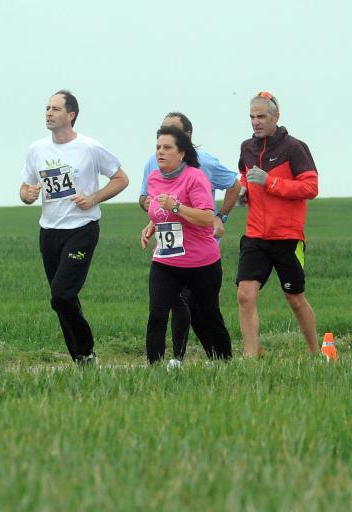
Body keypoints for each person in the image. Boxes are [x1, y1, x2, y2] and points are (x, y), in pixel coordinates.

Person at [20, 89, 129, 365]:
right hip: (49, 231)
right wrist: (27, 195)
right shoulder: (37, 149)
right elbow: (24, 187)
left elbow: (120, 178)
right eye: (47, 108)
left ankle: (86, 348)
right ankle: (82, 358)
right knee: (61, 300)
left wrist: (93, 198)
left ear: (71, 115)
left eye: (55, 109)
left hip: (81, 228)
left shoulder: (90, 148)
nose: (48, 113)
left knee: (62, 294)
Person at [139, 113, 241, 365]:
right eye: (158, 147)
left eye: (167, 148)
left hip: (200, 263)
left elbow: (207, 218)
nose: (160, 153)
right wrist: (153, 224)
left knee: (208, 314)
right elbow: (159, 208)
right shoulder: (154, 178)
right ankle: (154, 367)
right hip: (166, 260)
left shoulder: (196, 177)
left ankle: (224, 362)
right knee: (157, 314)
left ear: (181, 153)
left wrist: (176, 207)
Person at [236, 91, 319, 357]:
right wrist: (243, 190)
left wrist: (270, 182)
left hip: (287, 236)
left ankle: (315, 353)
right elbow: (244, 174)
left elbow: (311, 187)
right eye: (252, 117)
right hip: (255, 235)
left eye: (261, 116)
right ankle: (250, 358)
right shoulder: (247, 148)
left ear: (276, 117)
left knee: (295, 299)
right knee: (245, 294)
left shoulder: (294, 148)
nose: (256, 122)